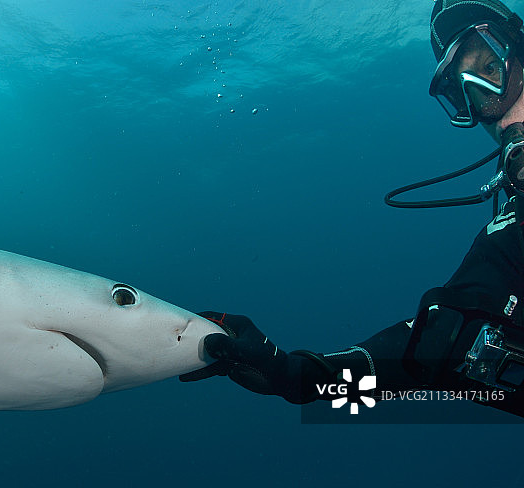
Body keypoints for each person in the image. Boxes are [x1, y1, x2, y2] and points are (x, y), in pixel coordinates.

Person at [180, 0, 524, 418]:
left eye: (491, 69)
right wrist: (300, 377)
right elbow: (434, 348)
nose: (493, 108)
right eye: (465, 93)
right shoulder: (510, 233)